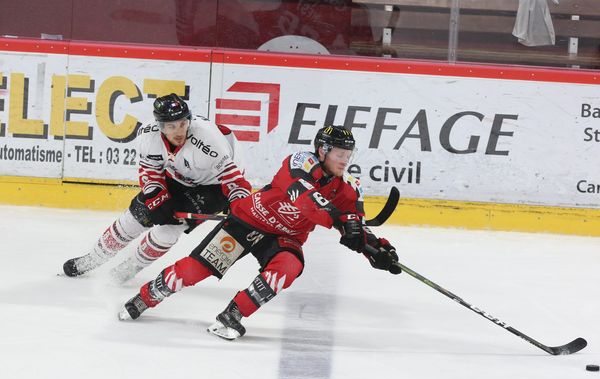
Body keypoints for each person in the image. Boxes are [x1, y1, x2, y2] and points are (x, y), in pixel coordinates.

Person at [118, 125, 401, 340]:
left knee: (289, 266)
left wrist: (376, 249)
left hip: (284, 238)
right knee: (195, 271)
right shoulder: (299, 162)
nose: (344, 161)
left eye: (348, 155)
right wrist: (338, 219)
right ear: (323, 151)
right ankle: (147, 296)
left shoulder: (349, 187)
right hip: (248, 222)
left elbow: (356, 224)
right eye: (339, 154)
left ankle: (233, 314)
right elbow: (305, 200)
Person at [62, 93, 251, 283]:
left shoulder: (209, 142)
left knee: (167, 230)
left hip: (214, 186)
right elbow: (150, 169)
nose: (179, 131)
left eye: (183, 124)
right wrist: (156, 198)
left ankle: (129, 268)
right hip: (180, 174)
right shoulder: (148, 135)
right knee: (136, 215)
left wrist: (240, 208)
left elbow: (236, 181)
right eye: (171, 126)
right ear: (160, 126)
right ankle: (92, 259)